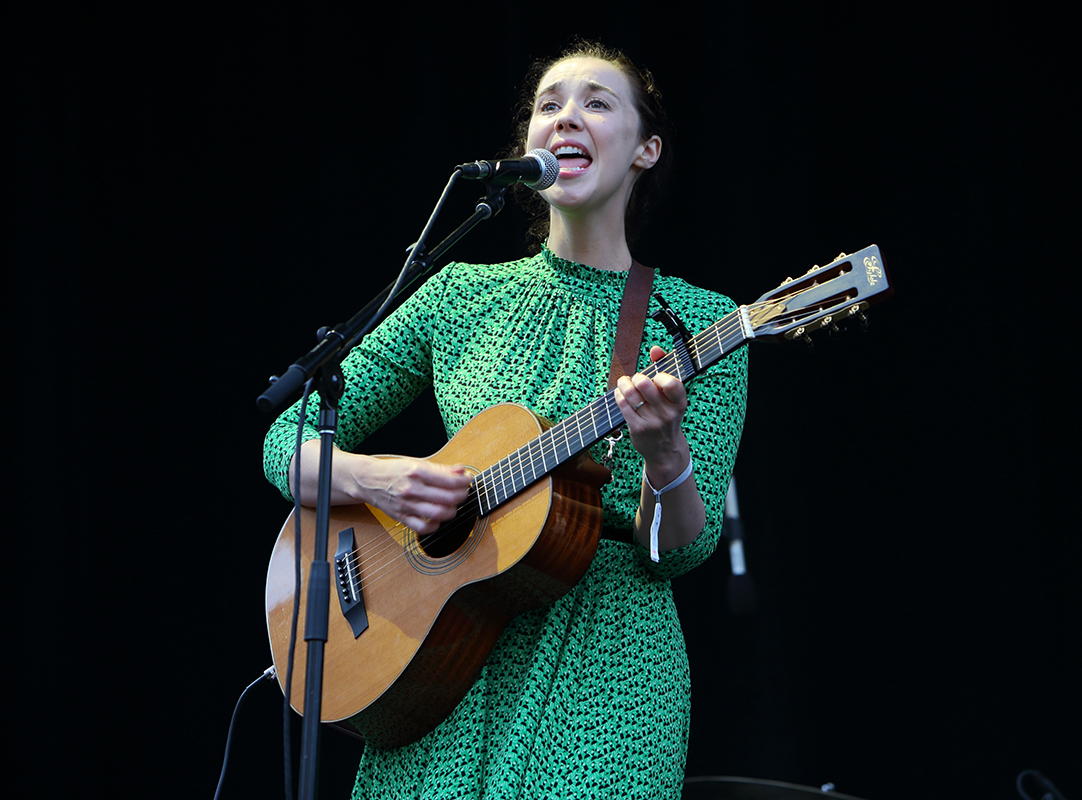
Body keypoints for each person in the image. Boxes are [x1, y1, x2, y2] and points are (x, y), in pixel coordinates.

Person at [263, 40, 748, 799]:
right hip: (436, 665)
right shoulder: (457, 296)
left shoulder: (698, 323)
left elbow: (677, 555)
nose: (566, 119)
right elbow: (285, 442)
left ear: (646, 149)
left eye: (596, 102)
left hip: (607, 668)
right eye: (548, 104)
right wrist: (381, 480)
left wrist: (664, 454)